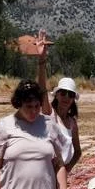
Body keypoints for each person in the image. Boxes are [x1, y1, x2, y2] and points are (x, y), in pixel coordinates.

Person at [35, 39, 82, 171]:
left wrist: (67, 169)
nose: (66, 97)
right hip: (46, 171)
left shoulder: (72, 123)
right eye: (63, 93)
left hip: (61, 173)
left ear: (73, 99)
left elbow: (78, 152)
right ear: (57, 95)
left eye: (70, 94)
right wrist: (42, 61)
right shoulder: (49, 113)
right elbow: (42, 90)